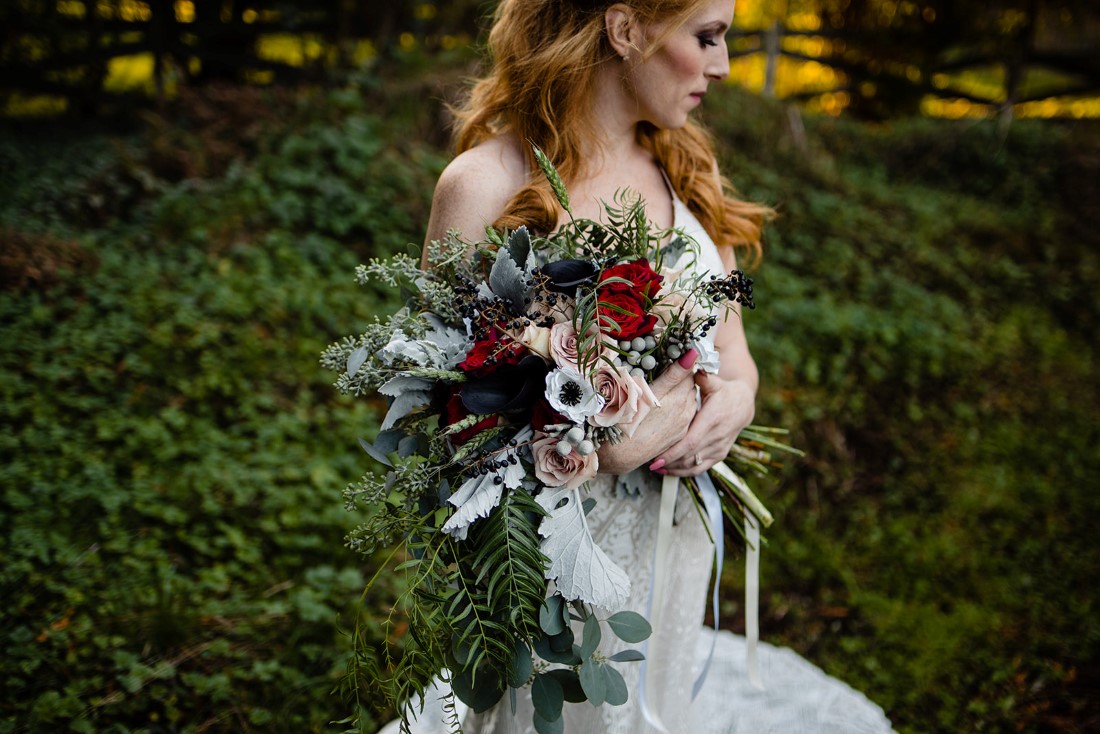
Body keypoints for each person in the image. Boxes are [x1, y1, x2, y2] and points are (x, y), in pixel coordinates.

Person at [381, 1, 897, 732]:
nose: (721, 65)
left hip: (674, 542)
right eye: (707, 36)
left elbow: (738, 362)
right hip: (545, 572)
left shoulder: (686, 167)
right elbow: (448, 434)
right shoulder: (484, 186)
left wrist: (735, 407)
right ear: (625, 30)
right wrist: (610, 444)